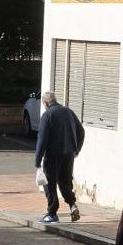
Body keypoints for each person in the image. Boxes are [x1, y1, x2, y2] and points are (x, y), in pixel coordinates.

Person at [35, 91, 85, 223]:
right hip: (69, 154)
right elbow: (81, 131)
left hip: (53, 155)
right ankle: (72, 205)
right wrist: (76, 149)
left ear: (46, 103)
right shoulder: (68, 112)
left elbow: (42, 140)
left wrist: (37, 161)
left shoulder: (47, 115)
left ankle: (52, 213)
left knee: (49, 183)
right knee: (65, 181)